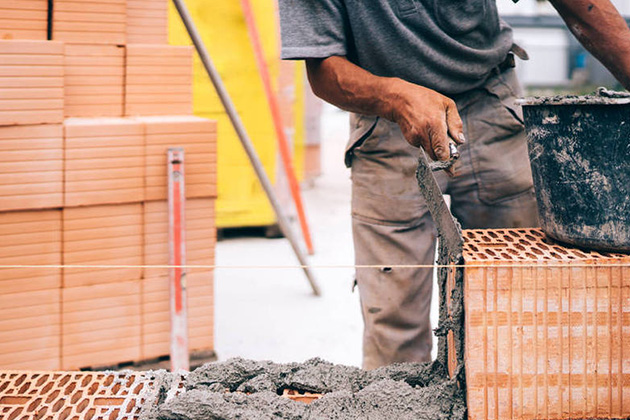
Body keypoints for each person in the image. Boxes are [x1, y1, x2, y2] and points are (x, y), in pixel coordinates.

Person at [278, 0, 630, 370]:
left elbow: (583, 11)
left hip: (488, 97)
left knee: (522, 306)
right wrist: (397, 97)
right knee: (393, 328)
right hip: (383, 113)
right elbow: (323, 68)